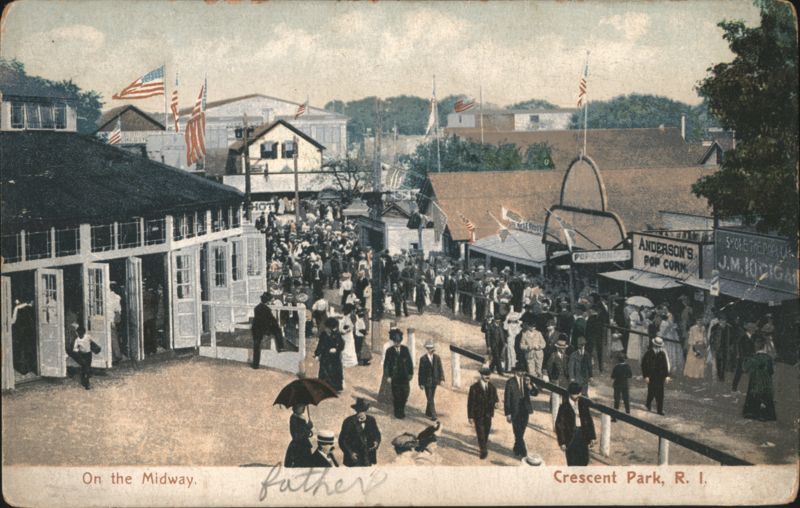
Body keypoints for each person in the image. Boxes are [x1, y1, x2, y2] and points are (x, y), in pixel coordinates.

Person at [555, 382, 596, 466]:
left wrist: (592, 437)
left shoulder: (583, 404)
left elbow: (589, 420)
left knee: (584, 460)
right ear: (570, 394)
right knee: (572, 461)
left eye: (579, 393)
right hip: (570, 437)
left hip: (583, 434)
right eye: (576, 394)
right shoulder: (564, 407)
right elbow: (559, 425)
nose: (579, 395)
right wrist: (562, 442)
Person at [504, 363, 539, 457]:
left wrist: (530, 386)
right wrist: (508, 413)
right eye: (521, 371)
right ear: (516, 371)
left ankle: (516, 448)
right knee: (517, 431)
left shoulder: (526, 381)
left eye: (523, 371)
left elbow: (535, 393)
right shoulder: (510, 382)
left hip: (525, 409)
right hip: (515, 410)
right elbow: (507, 398)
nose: (523, 373)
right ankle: (524, 452)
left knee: (521, 430)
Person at [338, 398, 382, 467]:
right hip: (354, 458)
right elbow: (342, 440)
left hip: (367, 457)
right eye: (359, 410)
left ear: (366, 410)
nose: (361, 413)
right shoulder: (348, 421)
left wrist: (376, 442)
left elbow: (377, 434)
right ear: (356, 410)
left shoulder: (371, 420)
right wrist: (350, 453)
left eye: (363, 410)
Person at [468, 367, 499, 459]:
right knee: (480, 432)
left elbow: (495, 399)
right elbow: (470, 403)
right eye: (485, 375)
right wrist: (470, 416)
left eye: (489, 375)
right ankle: (483, 450)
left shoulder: (492, 387)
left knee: (486, 432)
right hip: (478, 415)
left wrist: (496, 404)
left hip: (488, 414)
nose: (487, 377)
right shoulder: (474, 388)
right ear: (481, 375)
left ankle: (483, 446)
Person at [742, 337, 777, 421]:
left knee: (754, 396)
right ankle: (766, 415)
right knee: (766, 398)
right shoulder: (768, 358)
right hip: (766, 383)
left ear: (755, 347)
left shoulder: (753, 357)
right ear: (764, 347)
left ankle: (752, 413)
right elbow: (771, 371)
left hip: (755, 383)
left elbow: (745, 368)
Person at [384, 328, 414, 419]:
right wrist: (388, 376)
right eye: (395, 341)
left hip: (404, 377)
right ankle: (397, 412)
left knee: (405, 394)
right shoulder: (389, 351)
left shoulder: (405, 349)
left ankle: (402, 409)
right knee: (396, 395)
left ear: (401, 341)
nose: (397, 343)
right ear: (393, 341)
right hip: (394, 377)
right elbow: (386, 365)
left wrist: (410, 374)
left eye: (398, 341)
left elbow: (409, 363)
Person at [251, 292, 282, 368]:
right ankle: (280, 346)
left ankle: (255, 364)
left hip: (256, 328)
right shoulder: (267, 309)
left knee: (256, 346)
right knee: (278, 330)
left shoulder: (256, 307)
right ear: (268, 301)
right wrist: (276, 325)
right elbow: (272, 320)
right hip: (264, 328)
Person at [315, 317, 345, 392]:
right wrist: (317, 354)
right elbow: (320, 345)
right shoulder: (324, 334)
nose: (334, 329)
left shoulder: (337, 334)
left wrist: (337, 349)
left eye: (335, 327)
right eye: (333, 327)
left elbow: (341, 344)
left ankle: (336, 387)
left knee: (335, 372)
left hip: (335, 357)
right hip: (326, 357)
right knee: (325, 372)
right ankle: (324, 387)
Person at [641, 337, 670, 415]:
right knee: (651, 391)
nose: (658, 348)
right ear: (654, 345)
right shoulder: (648, 353)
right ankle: (648, 405)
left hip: (660, 377)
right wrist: (646, 376)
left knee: (660, 394)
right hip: (651, 376)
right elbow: (644, 365)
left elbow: (665, 366)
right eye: (657, 346)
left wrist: (666, 376)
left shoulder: (662, 354)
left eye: (659, 346)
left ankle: (659, 410)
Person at [418, 340, 445, 420]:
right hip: (427, 381)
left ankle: (428, 412)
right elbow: (420, 372)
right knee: (430, 397)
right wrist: (421, 383)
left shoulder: (437, 358)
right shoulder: (423, 359)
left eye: (431, 348)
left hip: (435, 381)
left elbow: (440, 369)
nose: (430, 349)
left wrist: (442, 379)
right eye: (429, 348)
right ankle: (433, 415)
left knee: (431, 397)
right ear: (426, 348)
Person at [284, 404, 314, 468]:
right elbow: (296, 436)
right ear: (295, 407)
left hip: (304, 446)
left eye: (303, 406)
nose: (302, 408)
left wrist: (309, 429)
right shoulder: (294, 418)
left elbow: (304, 432)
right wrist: (307, 427)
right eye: (300, 406)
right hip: (298, 448)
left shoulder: (302, 418)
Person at [732, 322, 757, 393]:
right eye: (753, 329)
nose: (754, 331)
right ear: (750, 330)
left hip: (750, 358)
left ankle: (752, 389)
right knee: (738, 374)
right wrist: (744, 359)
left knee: (751, 374)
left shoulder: (752, 337)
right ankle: (734, 389)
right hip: (743, 359)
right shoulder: (743, 338)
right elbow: (740, 349)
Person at [610, 353, 632, 421]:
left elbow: (612, 376)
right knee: (626, 399)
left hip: (617, 384)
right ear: (624, 359)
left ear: (618, 360)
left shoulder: (616, 367)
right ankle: (628, 414)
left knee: (617, 400)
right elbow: (630, 375)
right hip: (625, 384)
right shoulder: (627, 366)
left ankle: (615, 417)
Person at [72, 325, 95, 390]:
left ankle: (86, 381)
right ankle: (85, 381)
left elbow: (92, 342)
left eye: (81, 333)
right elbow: (75, 348)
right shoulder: (77, 340)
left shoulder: (87, 337)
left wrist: (93, 347)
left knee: (87, 367)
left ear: (84, 333)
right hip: (82, 355)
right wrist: (77, 350)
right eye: (79, 333)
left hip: (88, 354)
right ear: (77, 333)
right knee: (84, 367)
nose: (80, 335)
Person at [339, 304, 359, 369]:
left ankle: (351, 362)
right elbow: (341, 329)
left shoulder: (351, 318)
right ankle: (346, 362)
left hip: (350, 336)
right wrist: (347, 330)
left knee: (350, 347)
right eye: (352, 311)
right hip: (346, 335)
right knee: (346, 347)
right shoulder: (344, 319)